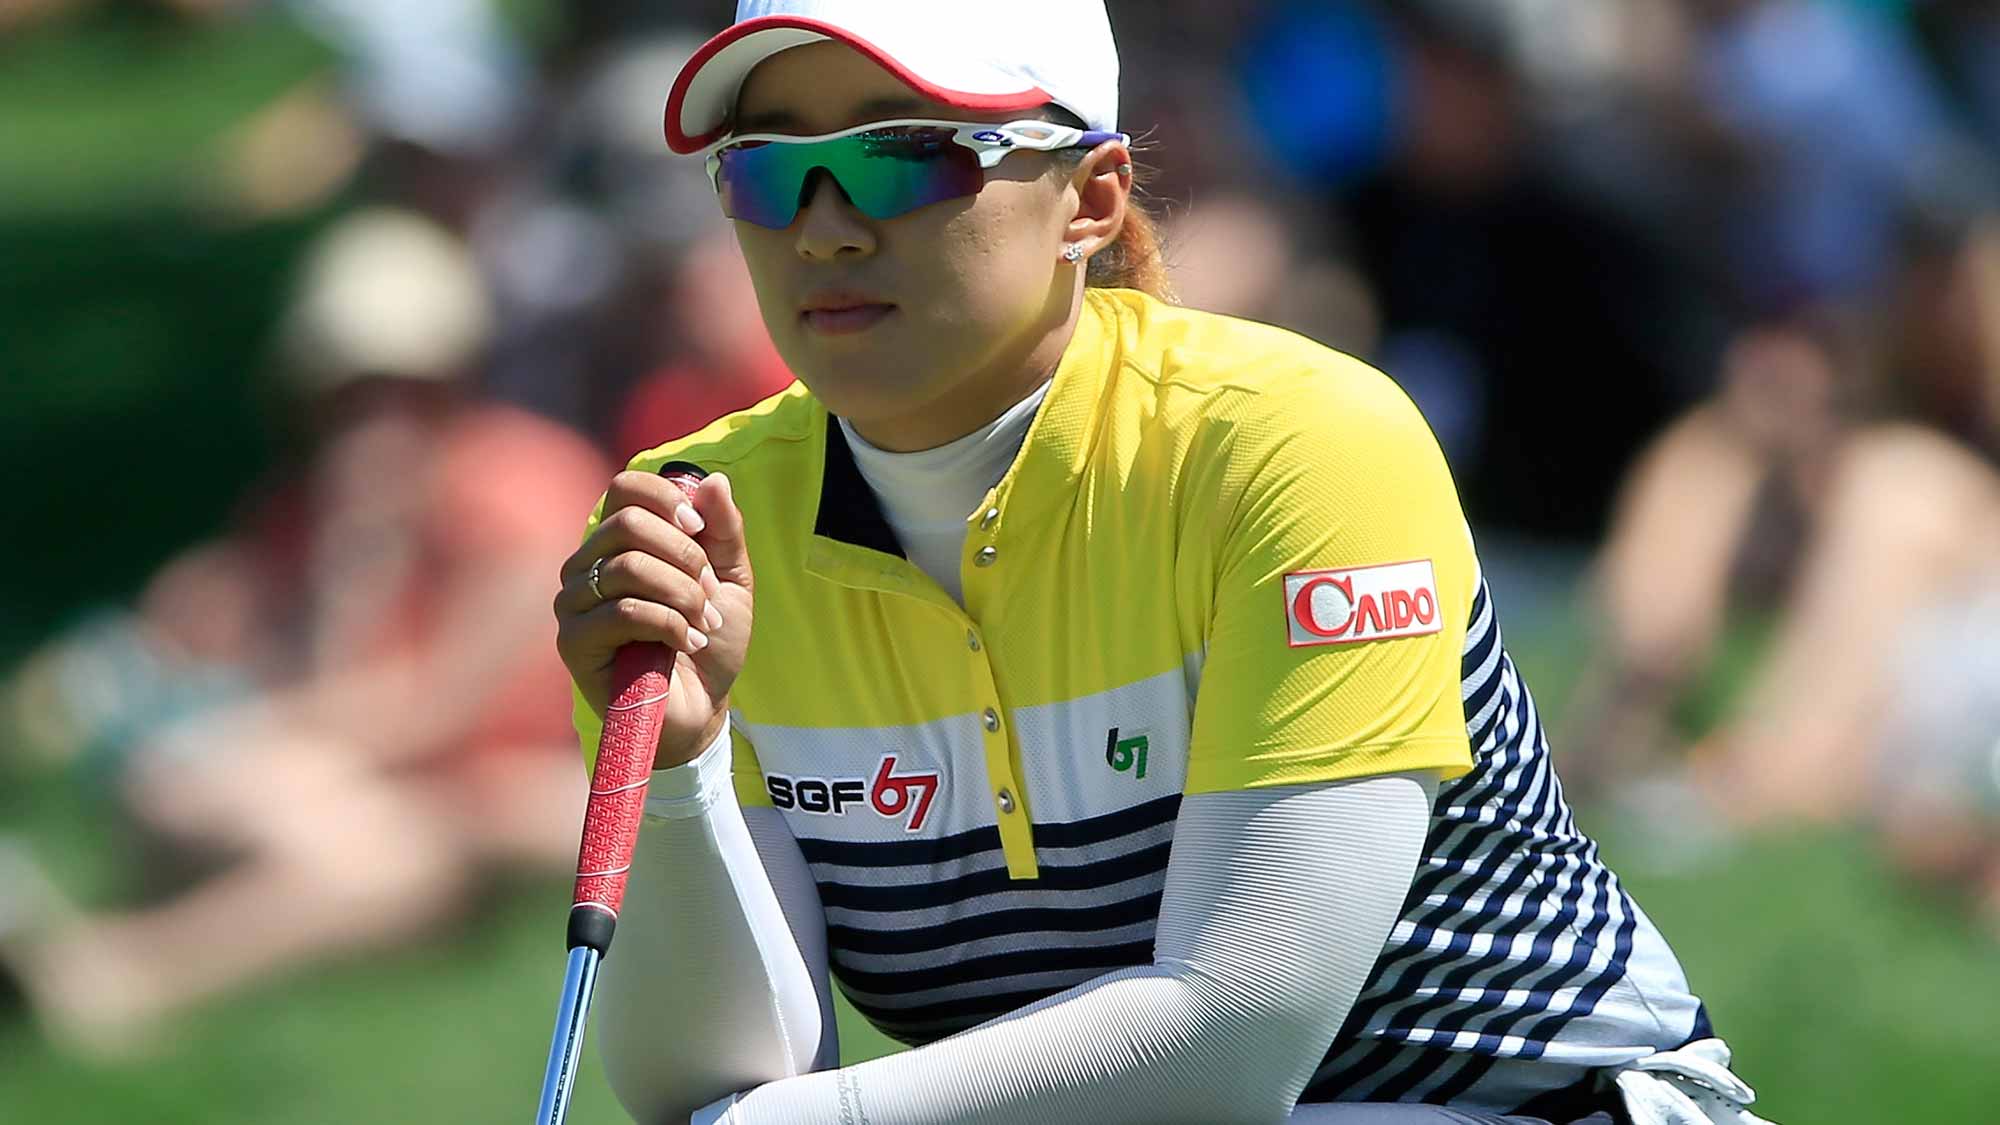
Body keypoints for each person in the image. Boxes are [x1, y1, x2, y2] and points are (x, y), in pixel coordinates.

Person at [550, 3, 1770, 1123]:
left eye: (901, 153)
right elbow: (709, 1090)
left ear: (1088, 197)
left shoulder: (1295, 443)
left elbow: (1234, 1036)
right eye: (764, 173)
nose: (820, 224)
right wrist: (680, 770)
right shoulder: (695, 516)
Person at [0, 208, 607, 1052]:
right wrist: (351, 567)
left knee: (388, 849)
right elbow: (212, 625)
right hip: (397, 785)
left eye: (403, 387)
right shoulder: (310, 512)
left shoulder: (520, 486)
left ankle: (116, 974)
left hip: (536, 784)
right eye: (347, 393)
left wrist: (262, 736)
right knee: (240, 803)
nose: (374, 417)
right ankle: (103, 962)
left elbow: (442, 709)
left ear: (451, 380)